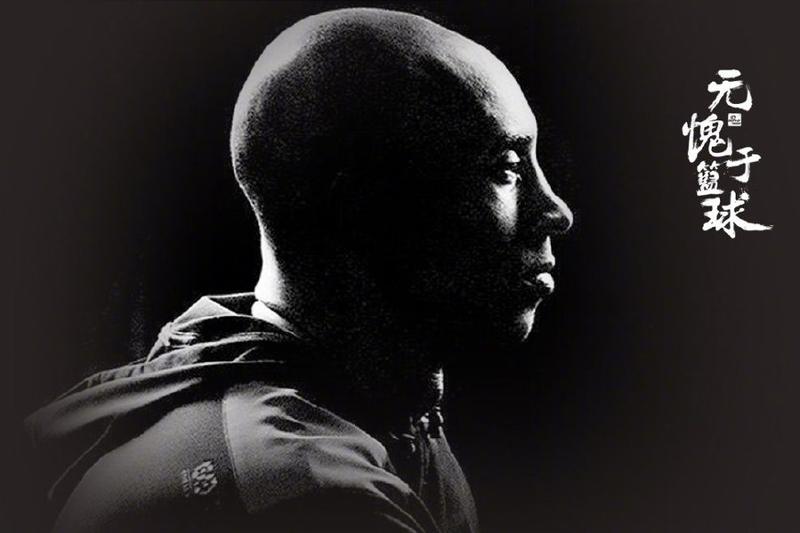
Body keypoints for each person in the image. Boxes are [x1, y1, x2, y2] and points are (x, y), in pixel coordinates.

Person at [26, 7, 572, 533]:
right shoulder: (310, 491)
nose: (556, 211)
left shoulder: (383, 412)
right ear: (361, 208)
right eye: (505, 168)